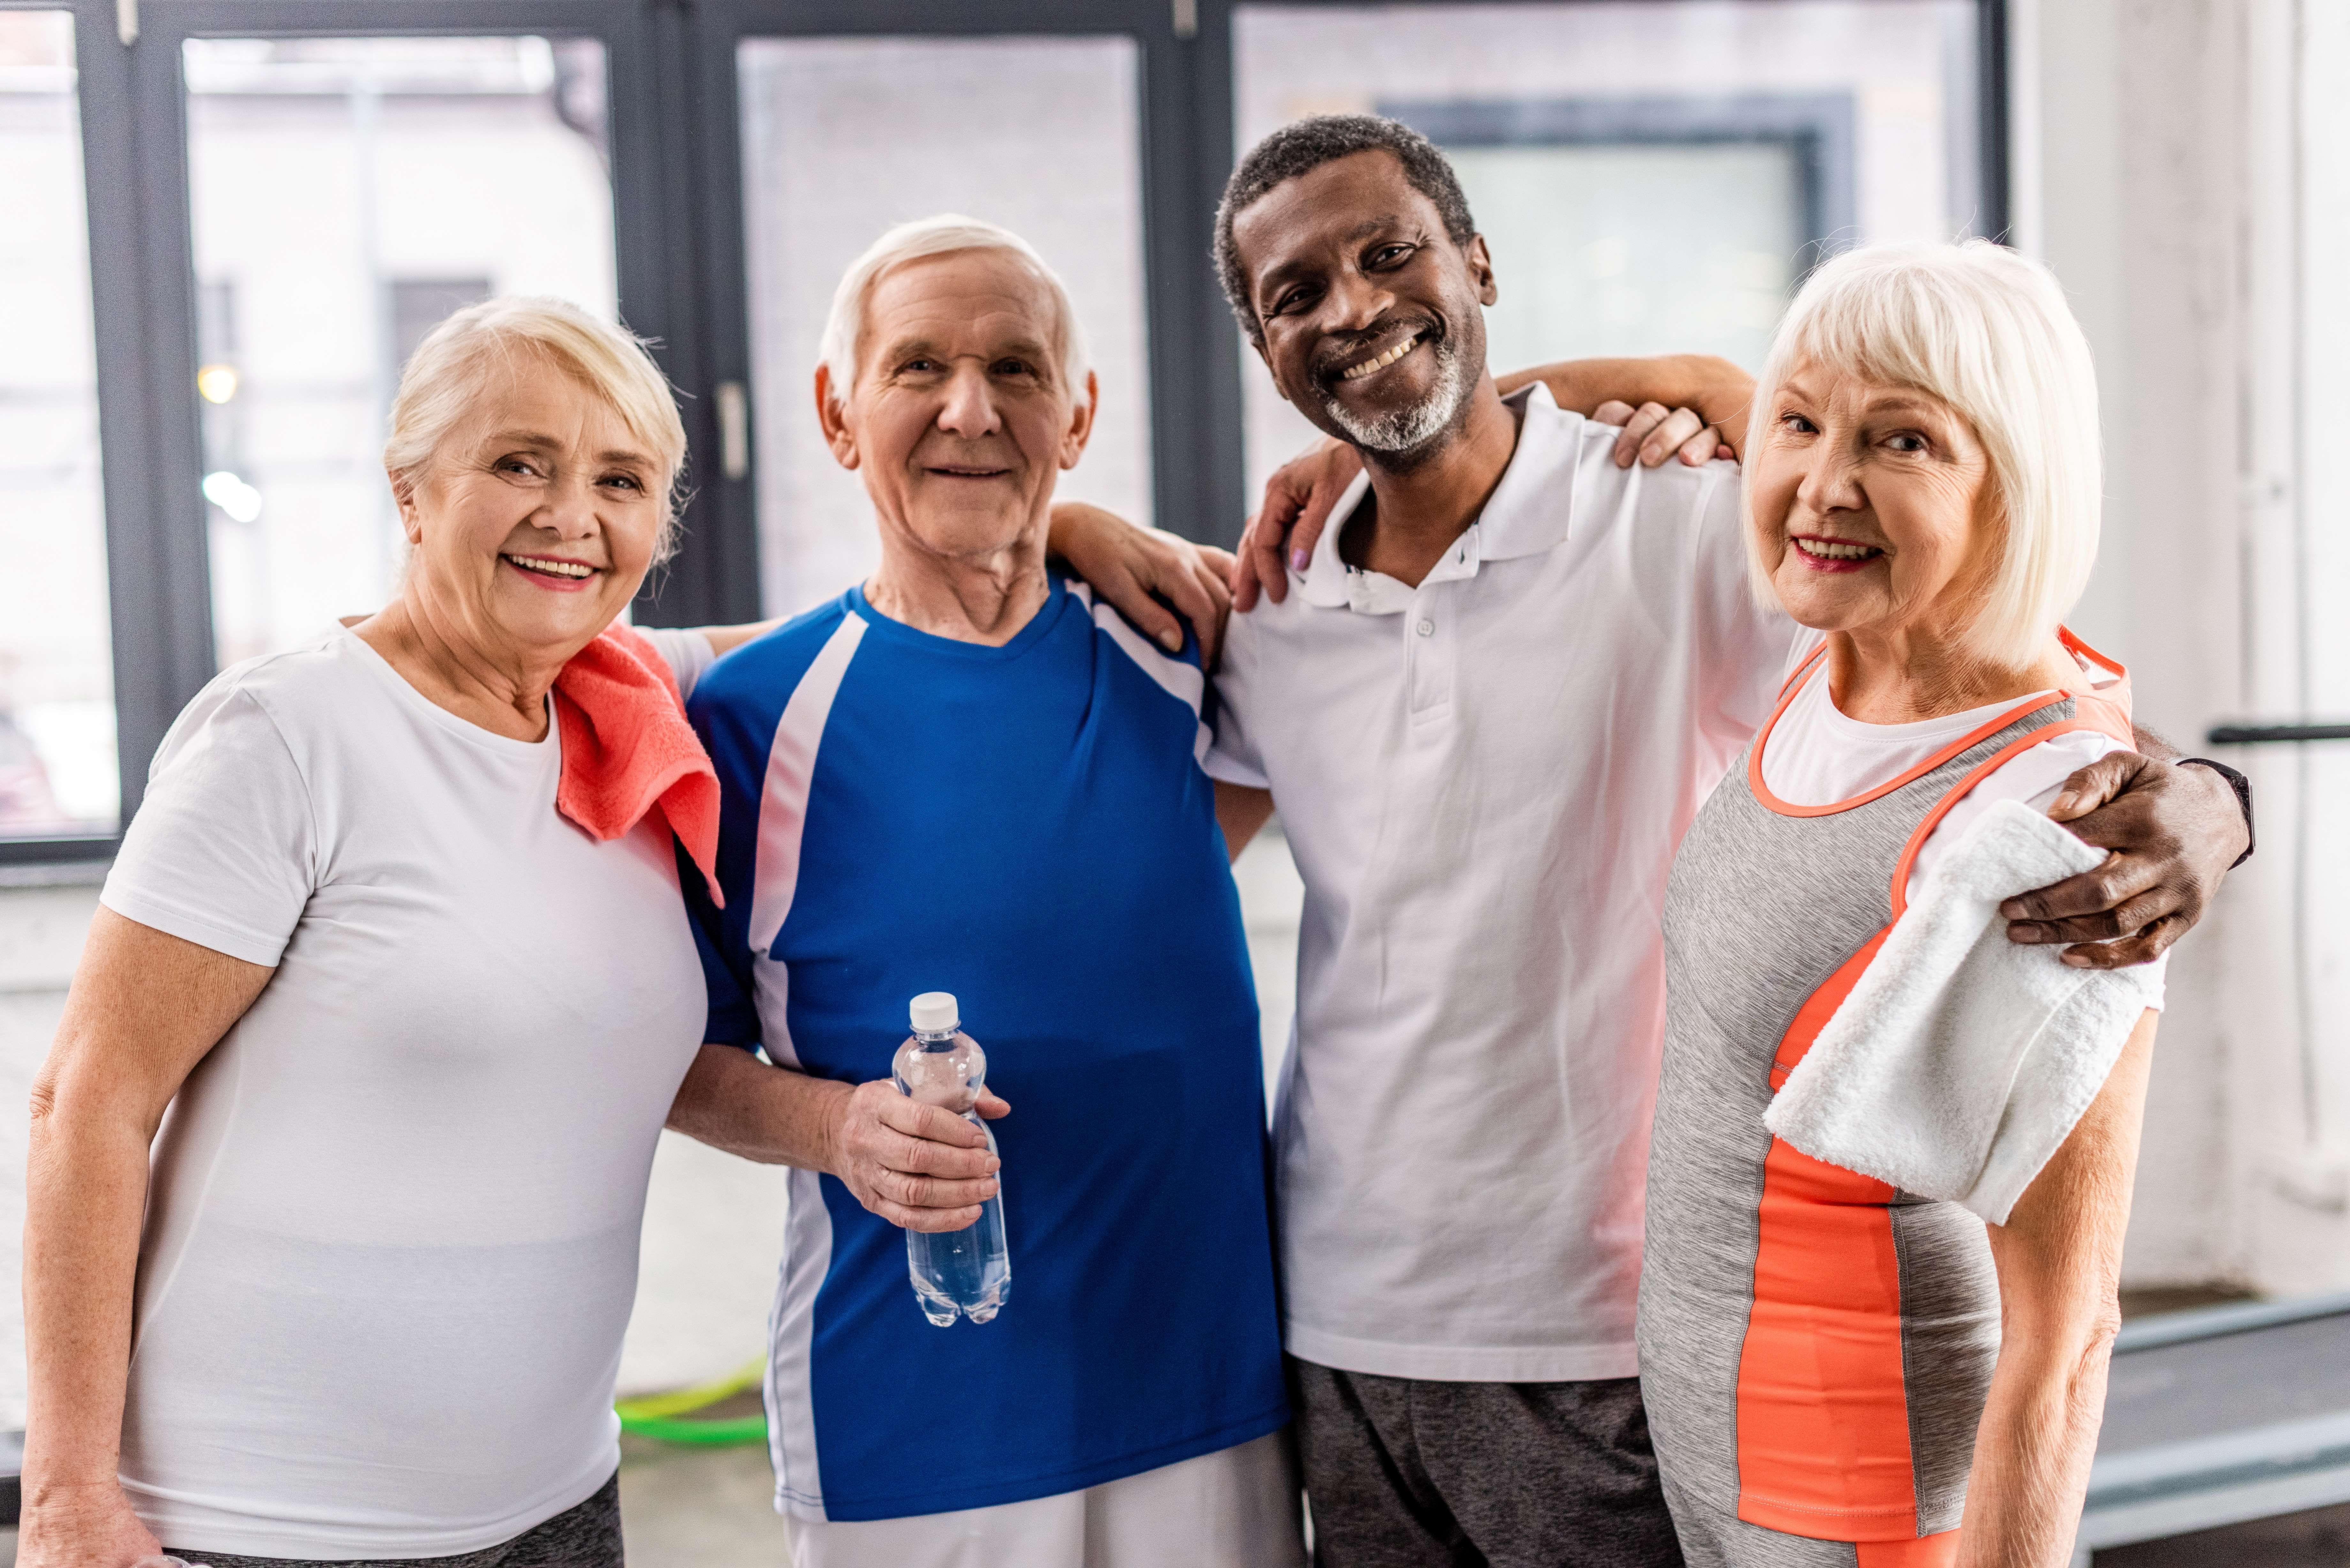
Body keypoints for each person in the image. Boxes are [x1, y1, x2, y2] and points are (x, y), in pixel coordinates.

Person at [18, 295, 1232, 1568]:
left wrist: (1052, 526)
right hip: (262, 1519)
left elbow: (897, 621)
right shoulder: (288, 735)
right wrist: (64, 1498)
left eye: (620, 480)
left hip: (558, 1502)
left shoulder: (630, 696)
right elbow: (86, 1102)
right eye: (517, 464)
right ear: (412, 487)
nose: (571, 517)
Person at [1205, 115, 2251, 1566]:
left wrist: (2209, 800)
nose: (1355, 307)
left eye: (1390, 255)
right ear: (1264, 350)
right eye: (1296, 294)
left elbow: (1979, 648)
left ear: (1478, 263)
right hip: (1335, 1321)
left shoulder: (1676, 514)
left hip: (1609, 1326)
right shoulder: (1264, 606)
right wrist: (1065, 523)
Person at [664, 215, 1300, 1568]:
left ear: (1079, 412)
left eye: (1017, 371)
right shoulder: (747, 716)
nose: (971, 408)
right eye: (918, 370)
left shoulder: (1194, 652)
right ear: (837, 413)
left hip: (1209, 1393)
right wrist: (839, 1126)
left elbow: (1425, 510)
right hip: (915, 1419)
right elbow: (674, 1059)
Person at [1640, 239, 2163, 1568]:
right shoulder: (1837, 656)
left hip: (1864, 1503)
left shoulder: (2051, 819)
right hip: (1705, 1458)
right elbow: (1709, 392)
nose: (1823, 484)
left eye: (1903, 442)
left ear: (2016, 474)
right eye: (1800, 424)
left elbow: (2066, 1332)